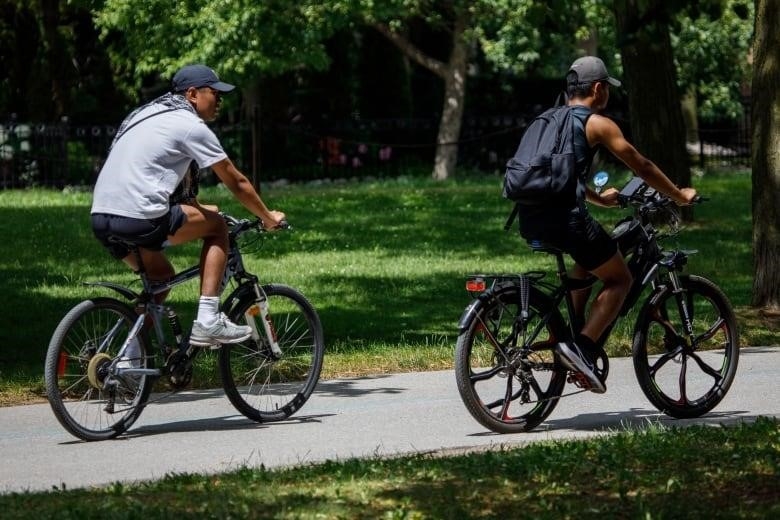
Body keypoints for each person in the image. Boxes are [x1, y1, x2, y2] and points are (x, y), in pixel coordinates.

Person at [516, 56, 697, 393]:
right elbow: (641, 165)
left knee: (588, 263)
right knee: (619, 279)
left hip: (530, 217)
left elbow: (556, 175)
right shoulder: (597, 123)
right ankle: (581, 348)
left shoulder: (547, 119)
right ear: (598, 89)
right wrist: (678, 194)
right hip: (566, 219)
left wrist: (600, 199)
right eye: (607, 89)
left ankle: (565, 333)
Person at [91, 64, 285, 361]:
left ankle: (127, 360)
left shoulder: (145, 114)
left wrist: (199, 208)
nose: (220, 100)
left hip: (102, 217)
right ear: (192, 94)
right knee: (218, 227)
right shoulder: (189, 124)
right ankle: (207, 319)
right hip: (140, 215)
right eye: (214, 93)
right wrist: (268, 216)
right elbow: (235, 180)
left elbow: (156, 174)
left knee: (160, 277)